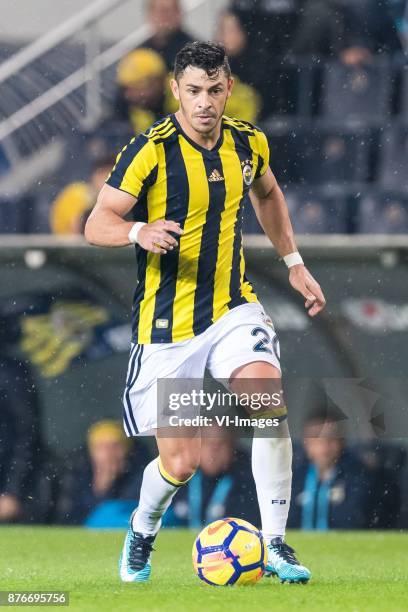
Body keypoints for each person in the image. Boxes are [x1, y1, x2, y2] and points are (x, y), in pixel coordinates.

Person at [85, 41, 326, 584]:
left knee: (269, 407)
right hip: (167, 326)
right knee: (181, 463)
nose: (204, 102)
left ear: (228, 89)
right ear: (175, 90)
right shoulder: (150, 149)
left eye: (214, 90)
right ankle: (142, 530)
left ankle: (276, 544)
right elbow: (94, 222)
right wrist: (136, 231)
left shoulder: (247, 142)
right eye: (193, 90)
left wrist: (293, 260)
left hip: (232, 308)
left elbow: (268, 193)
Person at [288, 411, 378, 530]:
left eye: (331, 438)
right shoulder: (293, 477)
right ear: (305, 442)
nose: (324, 446)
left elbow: (355, 520)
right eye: (316, 438)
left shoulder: (357, 477)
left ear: (342, 442)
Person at [55, 420, 150, 526]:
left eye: (116, 446)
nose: (109, 454)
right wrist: (102, 487)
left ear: (128, 450)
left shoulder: (142, 473)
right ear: (92, 452)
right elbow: (73, 517)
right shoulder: (77, 476)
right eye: (102, 447)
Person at [163, 432, 260, 528]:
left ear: (231, 448)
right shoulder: (179, 477)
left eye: (220, 444)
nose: (213, 450)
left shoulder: (247, 481)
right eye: (208, 443)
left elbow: (249, 524)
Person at [49, 155, 116, 235]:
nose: (106, 180)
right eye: (104, 175)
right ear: (94, 176)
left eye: (111, 175)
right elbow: (75, 228)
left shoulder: (121, 199)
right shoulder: (77, 194)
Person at [113, 48, 168, 135]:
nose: (129, 95)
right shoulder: (127, 108)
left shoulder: (185, 98)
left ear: (158, 81)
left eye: (137, 85)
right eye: (127, 88)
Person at [142, 0, 194, 70]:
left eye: (168, 11)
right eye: (160, 11)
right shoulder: (142, 51)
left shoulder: (193, 50)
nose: (164, 16)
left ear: (179, 14)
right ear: (150, 15)